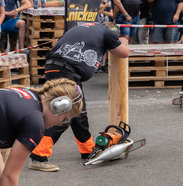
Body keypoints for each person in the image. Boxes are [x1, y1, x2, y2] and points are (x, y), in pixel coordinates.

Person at [29, 23, 130, 172]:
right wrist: (123, 43)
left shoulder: (83, 28)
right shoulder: (107, 32)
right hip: (67, 70)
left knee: (79, 113)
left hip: (55, 67)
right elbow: (124, 53)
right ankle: (38, 156)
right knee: (66, 115)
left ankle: (87, 149)